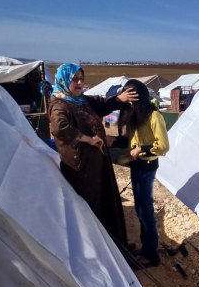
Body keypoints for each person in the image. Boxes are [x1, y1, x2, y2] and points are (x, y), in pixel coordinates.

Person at [49, 63, 137, 248]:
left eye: (82, 78)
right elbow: (59, 127)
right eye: (75, 79)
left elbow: (102, 104)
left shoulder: (81, 100)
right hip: (81, 168)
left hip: (98, 163)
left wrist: (119, 98)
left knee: (105, 201)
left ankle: (114, 247)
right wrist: (87, 139)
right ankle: (97, 249)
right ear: (64, 80)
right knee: (91, 206)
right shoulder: (60, 104)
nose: (80, 82)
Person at [118, 79, 169, 268]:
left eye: (131, 99)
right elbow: (129, 141)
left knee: (146, 210)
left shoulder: (154, 116)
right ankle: (146, 247)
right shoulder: (134, 115)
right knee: (139, 209)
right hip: (136, 166)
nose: (128, 103)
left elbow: (163, 146)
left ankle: (151, 255)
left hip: (147, 167)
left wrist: (141, 149)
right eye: (126, 100)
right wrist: (113, 141)